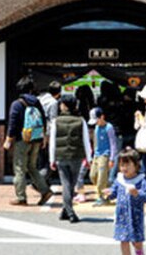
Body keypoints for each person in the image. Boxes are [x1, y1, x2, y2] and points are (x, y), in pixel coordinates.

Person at [3, 75, 52, 206]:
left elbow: (12, 124)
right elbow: (43, 120)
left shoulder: (17, 104)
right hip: (36, 139)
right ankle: (45, 190)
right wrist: (44, 138)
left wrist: (8, 140)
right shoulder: (37, 102)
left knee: (19, 168)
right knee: (32, 167)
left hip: (22, 140)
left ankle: (21, 197)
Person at [49, 95, 92, 223]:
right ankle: (68, 211)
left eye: (61, 103)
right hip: (76, 156)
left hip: (61, 156)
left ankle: (68, 211)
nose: (60, 105)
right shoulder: (81, 120)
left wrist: (52, 159)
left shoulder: (56, 121)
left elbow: (52, 142)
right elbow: (86, 140)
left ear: (65, 105)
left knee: (66, 185)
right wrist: (89, 158)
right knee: (71, 184)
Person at [105, 149, 146, 255]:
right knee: (123, 240)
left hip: (136, 216)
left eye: (127, 165)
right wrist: (110, 193)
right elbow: (114, 192)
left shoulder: (140, 180)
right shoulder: (119, 180)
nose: (124, 168)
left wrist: (137, 193)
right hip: (122, 216)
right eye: (122, 165)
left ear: (136, 165)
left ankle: (139, 252)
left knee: (137, 241)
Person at [88, 106, 117, 206]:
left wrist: (112, 158)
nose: (96, 122)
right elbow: (95, 142)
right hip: (96, 155)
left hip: (105, 155)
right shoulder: (96, 127)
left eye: (97, 120)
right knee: (92, 175)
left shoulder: (109, 127)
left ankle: (102, 197)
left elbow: (113, 143)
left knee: (101, 178)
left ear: (102, 117)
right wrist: (92, 156)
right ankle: (107, 187)